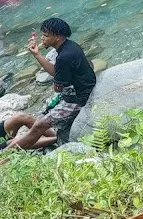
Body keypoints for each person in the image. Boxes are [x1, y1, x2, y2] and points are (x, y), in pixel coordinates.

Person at [1, 18, 96, 150]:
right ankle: (52, 140)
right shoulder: (70, 46)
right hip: (75, 92)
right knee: (40, 118)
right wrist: (37, 55)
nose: (42, 39)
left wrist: (58, 82)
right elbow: (55, 72)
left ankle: (5, 154)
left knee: (39, 125)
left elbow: (57, 87)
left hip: (78, 99)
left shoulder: (64, 57)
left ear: (57, 37)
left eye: (46, 36)